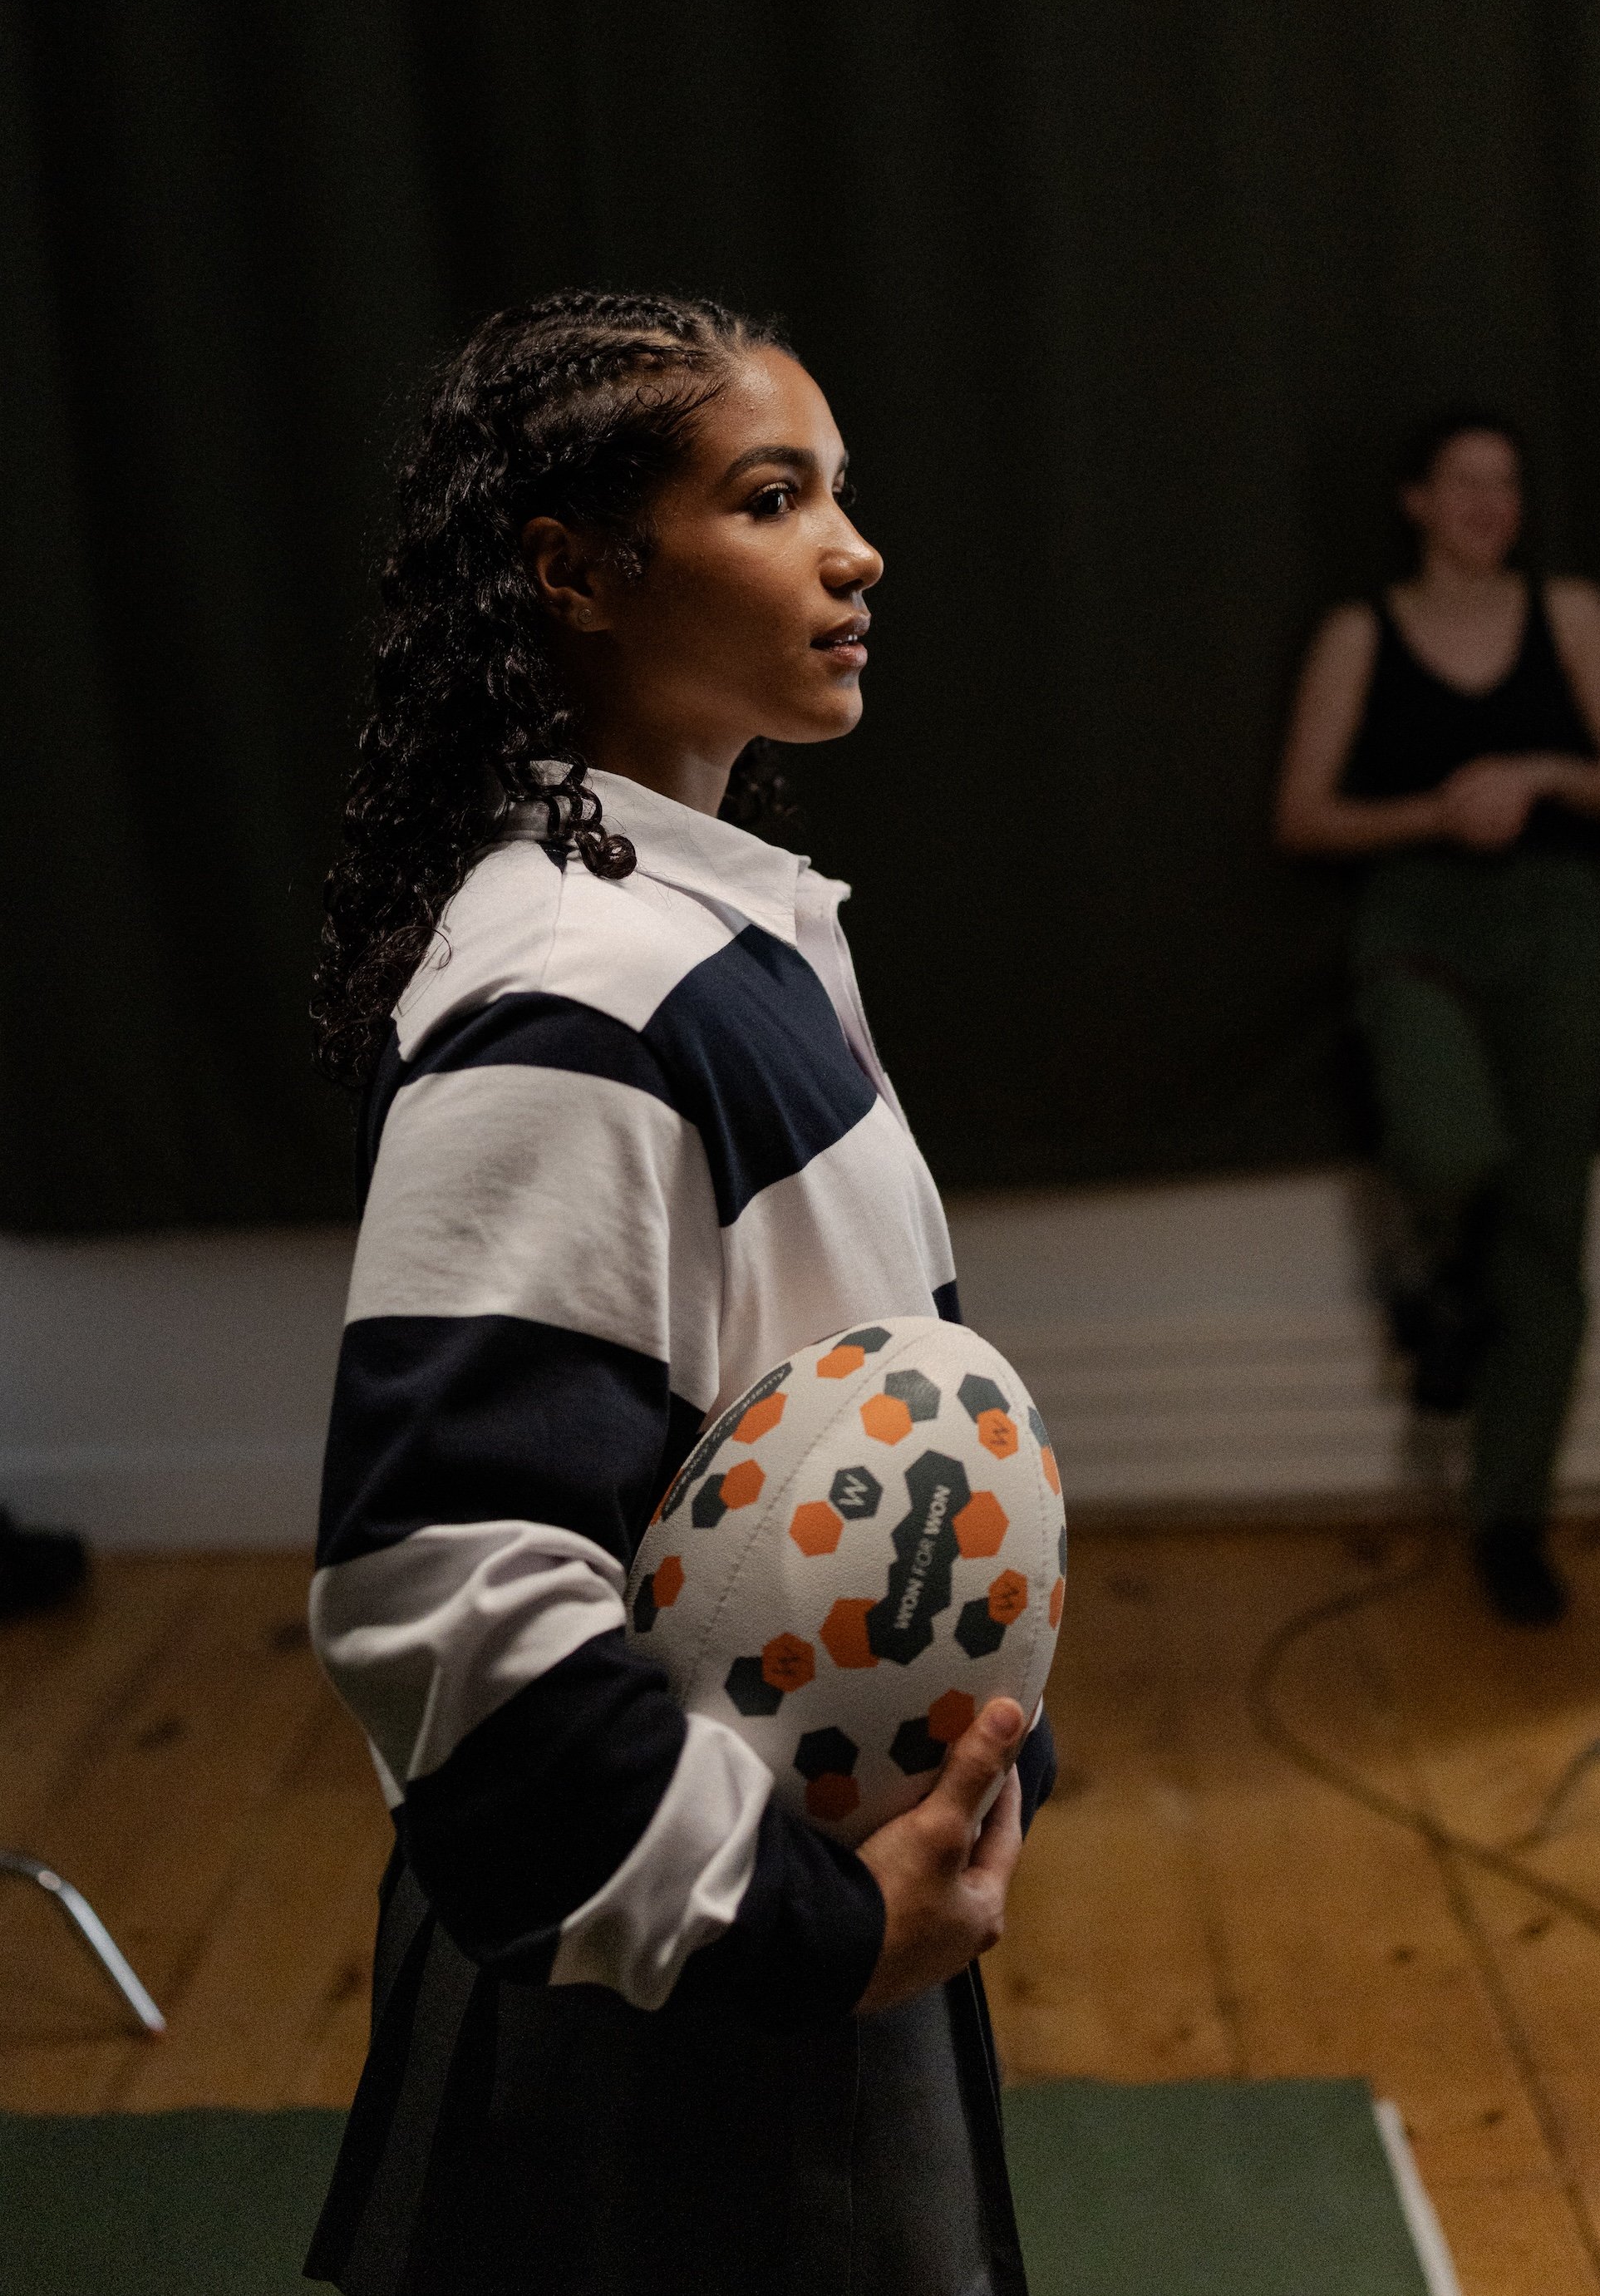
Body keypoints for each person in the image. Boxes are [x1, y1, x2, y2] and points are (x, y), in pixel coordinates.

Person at [303, 291, 1055, 2296]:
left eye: (839, 493)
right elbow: (437, 1580)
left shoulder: (707, 932)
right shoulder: (570, 988)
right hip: (668, 2025)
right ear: (573, 570)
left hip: (782, 1942)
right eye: (771, 495)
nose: (853, 549)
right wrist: (788, 1924)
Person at [1274, 410, 1600, 1627]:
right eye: (1466, 481)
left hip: (1556, 924)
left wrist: (1535, 776)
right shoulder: (1363, 629)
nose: (1492, 503)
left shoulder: (1572, 612)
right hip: (1417, 917)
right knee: (1449, 1147)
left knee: (1549, 1232)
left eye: (1508, 483)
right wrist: (1441, 813)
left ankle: (1511, 1519)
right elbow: (1304, 814)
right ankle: (1438, 1280)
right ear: (1417, 500)